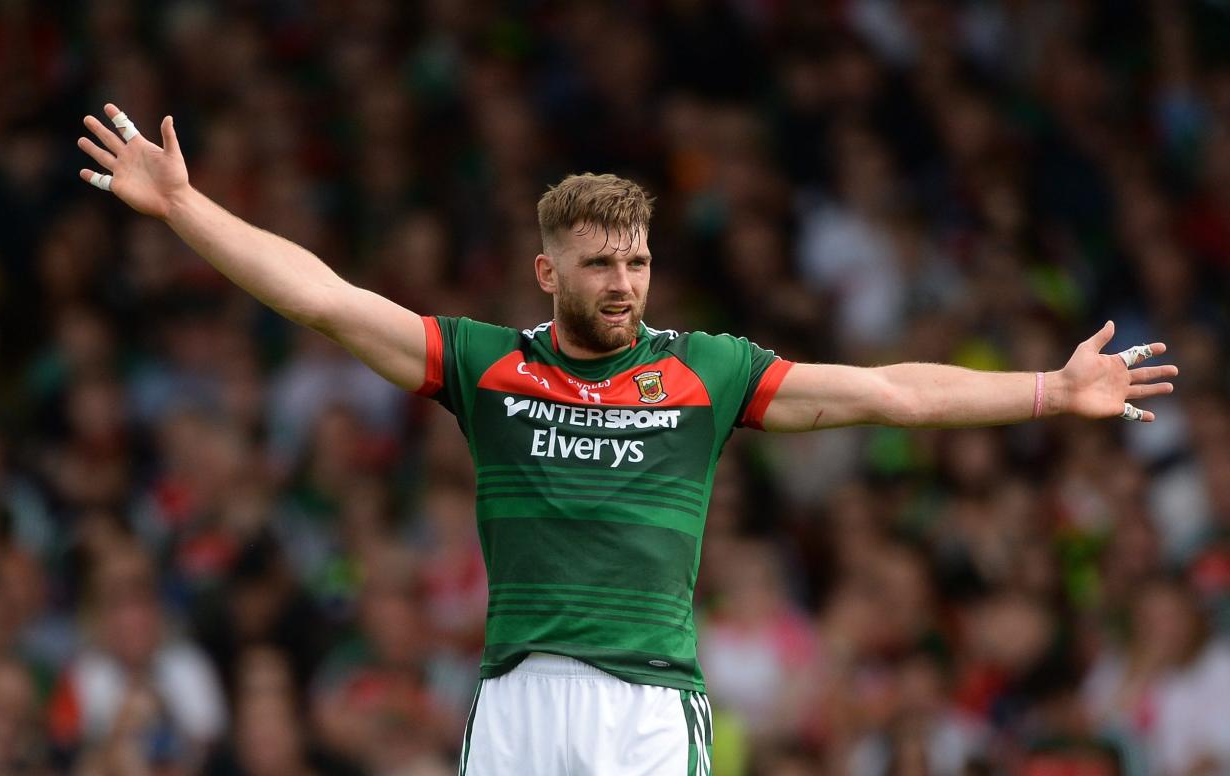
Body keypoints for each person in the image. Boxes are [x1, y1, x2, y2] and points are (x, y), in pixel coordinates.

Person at [76, 104, 1178, 776]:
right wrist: (185, 210)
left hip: (646, 701)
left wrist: (1047, 387)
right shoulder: (480, 361)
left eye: (638, 260)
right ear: (547, 271)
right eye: (600, 264)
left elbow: (891, 390)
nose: (624, 282)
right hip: (515, 693)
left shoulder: (706, 371)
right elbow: (323, 298)